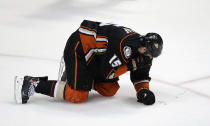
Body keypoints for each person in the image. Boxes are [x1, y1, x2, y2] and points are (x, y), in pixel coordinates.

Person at [14, 20, 163, 105]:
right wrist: (129, 66)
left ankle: (79, 78)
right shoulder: (125, 47)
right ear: (143, 44)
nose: (148, 56)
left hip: (97, 55)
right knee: (78, 96)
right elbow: (107, 72)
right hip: (79, 47)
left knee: (109, 90)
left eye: (150, 55)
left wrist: (143, 90)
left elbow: (140, 75)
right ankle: (32, 83)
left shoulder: (146, 53)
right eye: (146, 51)